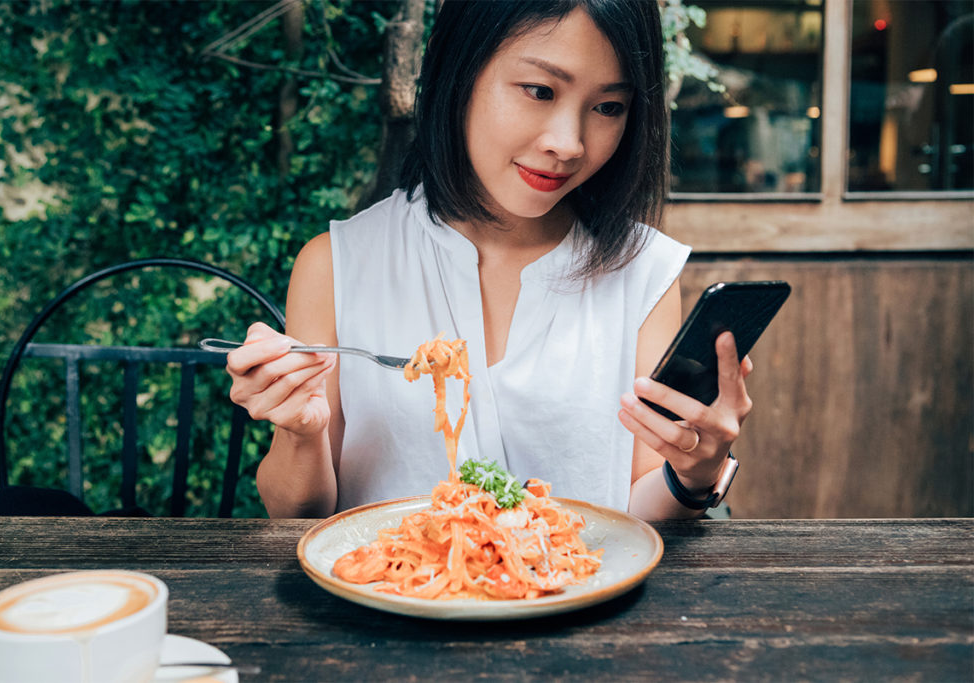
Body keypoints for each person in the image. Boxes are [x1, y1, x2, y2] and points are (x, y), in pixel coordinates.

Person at [226, 0, 753, 521]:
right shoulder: (338, 265)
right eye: (540, 91)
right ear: (461, 72)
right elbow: (296, 513)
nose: (568, 144)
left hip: (579, 597)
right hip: (388, 598)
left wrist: (694, 476)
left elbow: (639, 514)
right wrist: (301, 431)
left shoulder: (642, 271)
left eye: (608, 107)